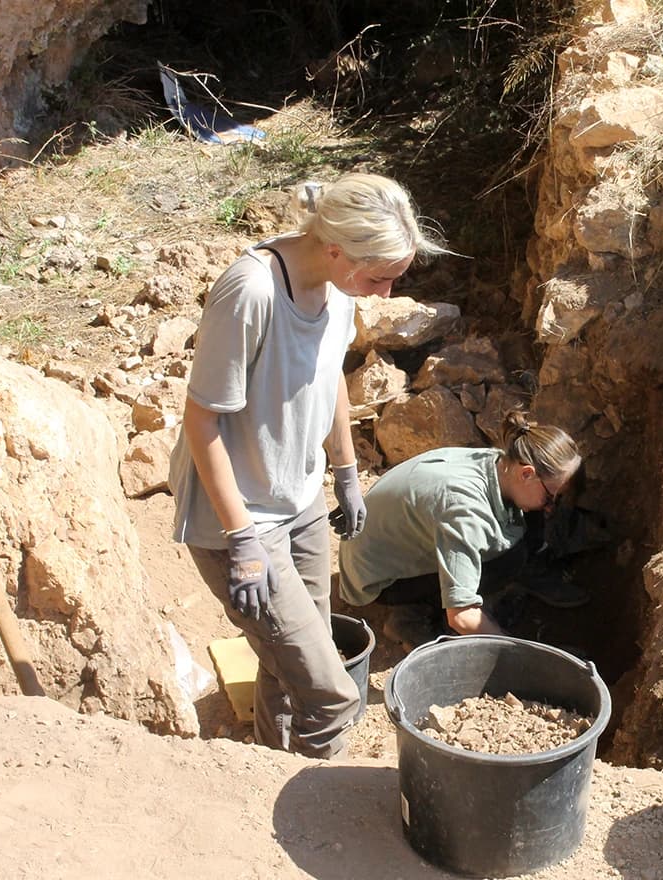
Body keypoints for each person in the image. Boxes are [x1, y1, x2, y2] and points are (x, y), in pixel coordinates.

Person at [168, 173, 447, 758]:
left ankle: (270, 768)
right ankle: (314, 807)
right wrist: (241, 539)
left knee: (291, 663)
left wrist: (345, 472)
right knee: (332, 693)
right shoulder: (252, 293)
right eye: (379, 277)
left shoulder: (340, 290)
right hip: (241, 517)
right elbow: (201, 423)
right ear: (336, 248)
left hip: (301, 502)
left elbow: (332, 382)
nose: (386, 292)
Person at [338, 411, 587, 650]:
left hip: (396, 541)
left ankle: (528, 569)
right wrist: (513, 648)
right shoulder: (465, 511)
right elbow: (462, 616)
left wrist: (542, 504)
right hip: (379, 578)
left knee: (526, 518)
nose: (552, 508)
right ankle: (410, 618)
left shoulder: (500, 462)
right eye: (552, 497)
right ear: (527, 473)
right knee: (506, 562)